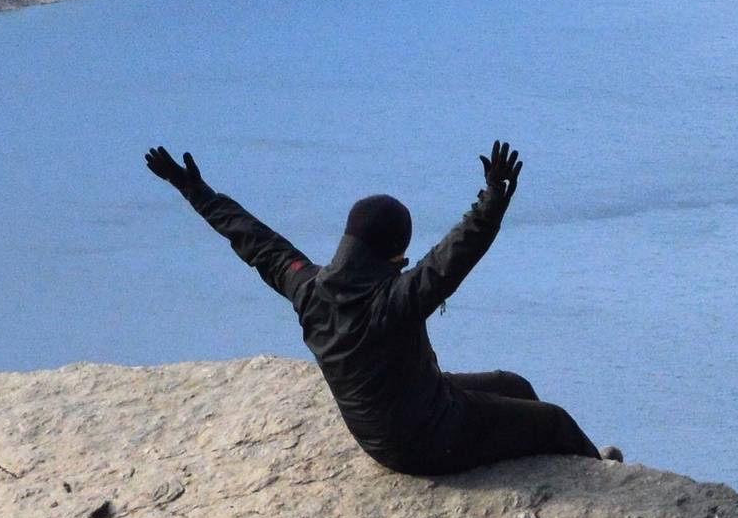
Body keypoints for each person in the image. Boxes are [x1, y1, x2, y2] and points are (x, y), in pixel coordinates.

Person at [144, 139, 615, 477]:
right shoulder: (392, 303)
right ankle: (604, 478)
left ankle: (551, 464)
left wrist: (196, 192)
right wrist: (493, 200)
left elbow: (255, 241)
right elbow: (452, 258)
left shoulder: (307, 287)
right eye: (403, 257)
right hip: (429, 441)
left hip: (380, 434)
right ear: (392, 254)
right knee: (551, 419)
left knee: (515, 386)